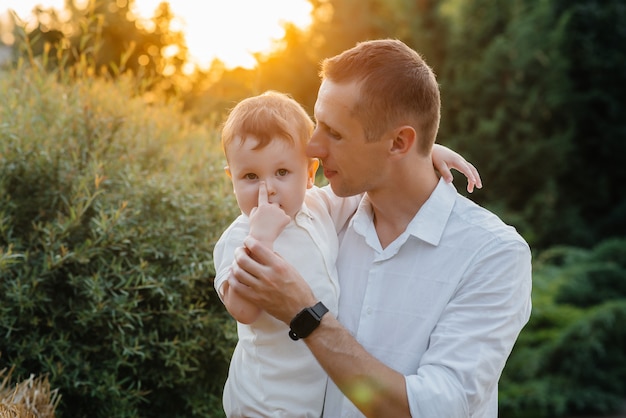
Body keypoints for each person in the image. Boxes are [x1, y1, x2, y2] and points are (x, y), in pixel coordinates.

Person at [229, 40, 532, 417]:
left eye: (334, 134)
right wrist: (424, 154)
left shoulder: (493, 254)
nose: (312, 148)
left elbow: (435, 409)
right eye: (317, 125)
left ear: (399, 142)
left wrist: (304, 314)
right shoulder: (323, 217)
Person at [213, 91, 482, 417]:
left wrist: (422, 156)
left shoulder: (318, 207)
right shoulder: (240, 238)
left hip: (315, 403)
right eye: (250, 177)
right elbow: (242, 310)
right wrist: (262, 236)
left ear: (310, 173)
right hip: (265, 405)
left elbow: (378, 175)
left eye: (282, 173)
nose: (266, 189)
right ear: (232, 178)